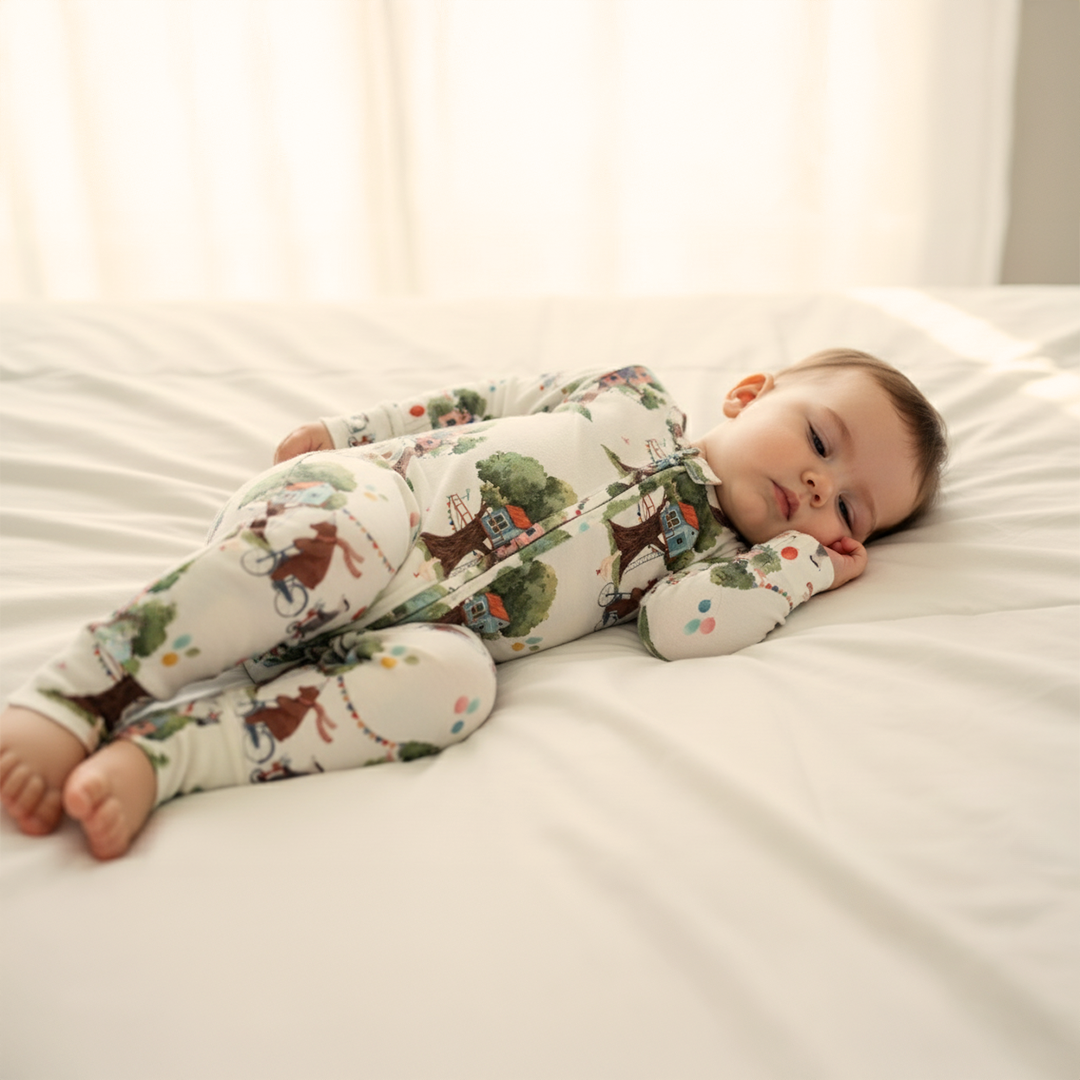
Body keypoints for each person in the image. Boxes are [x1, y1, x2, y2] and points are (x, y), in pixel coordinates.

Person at [0, 349, 946, 859]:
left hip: (397, 635)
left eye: (851, 507)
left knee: (459, 687)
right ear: (750, 394)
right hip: (355, 514)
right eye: (820, 440)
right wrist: (347, 433)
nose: (821, 486)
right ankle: (82, 693)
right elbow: (484, 401)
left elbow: (685, 634)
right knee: (358, 536)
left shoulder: (704, 568)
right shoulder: (636, 395)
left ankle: (169, 755)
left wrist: (800, 568)